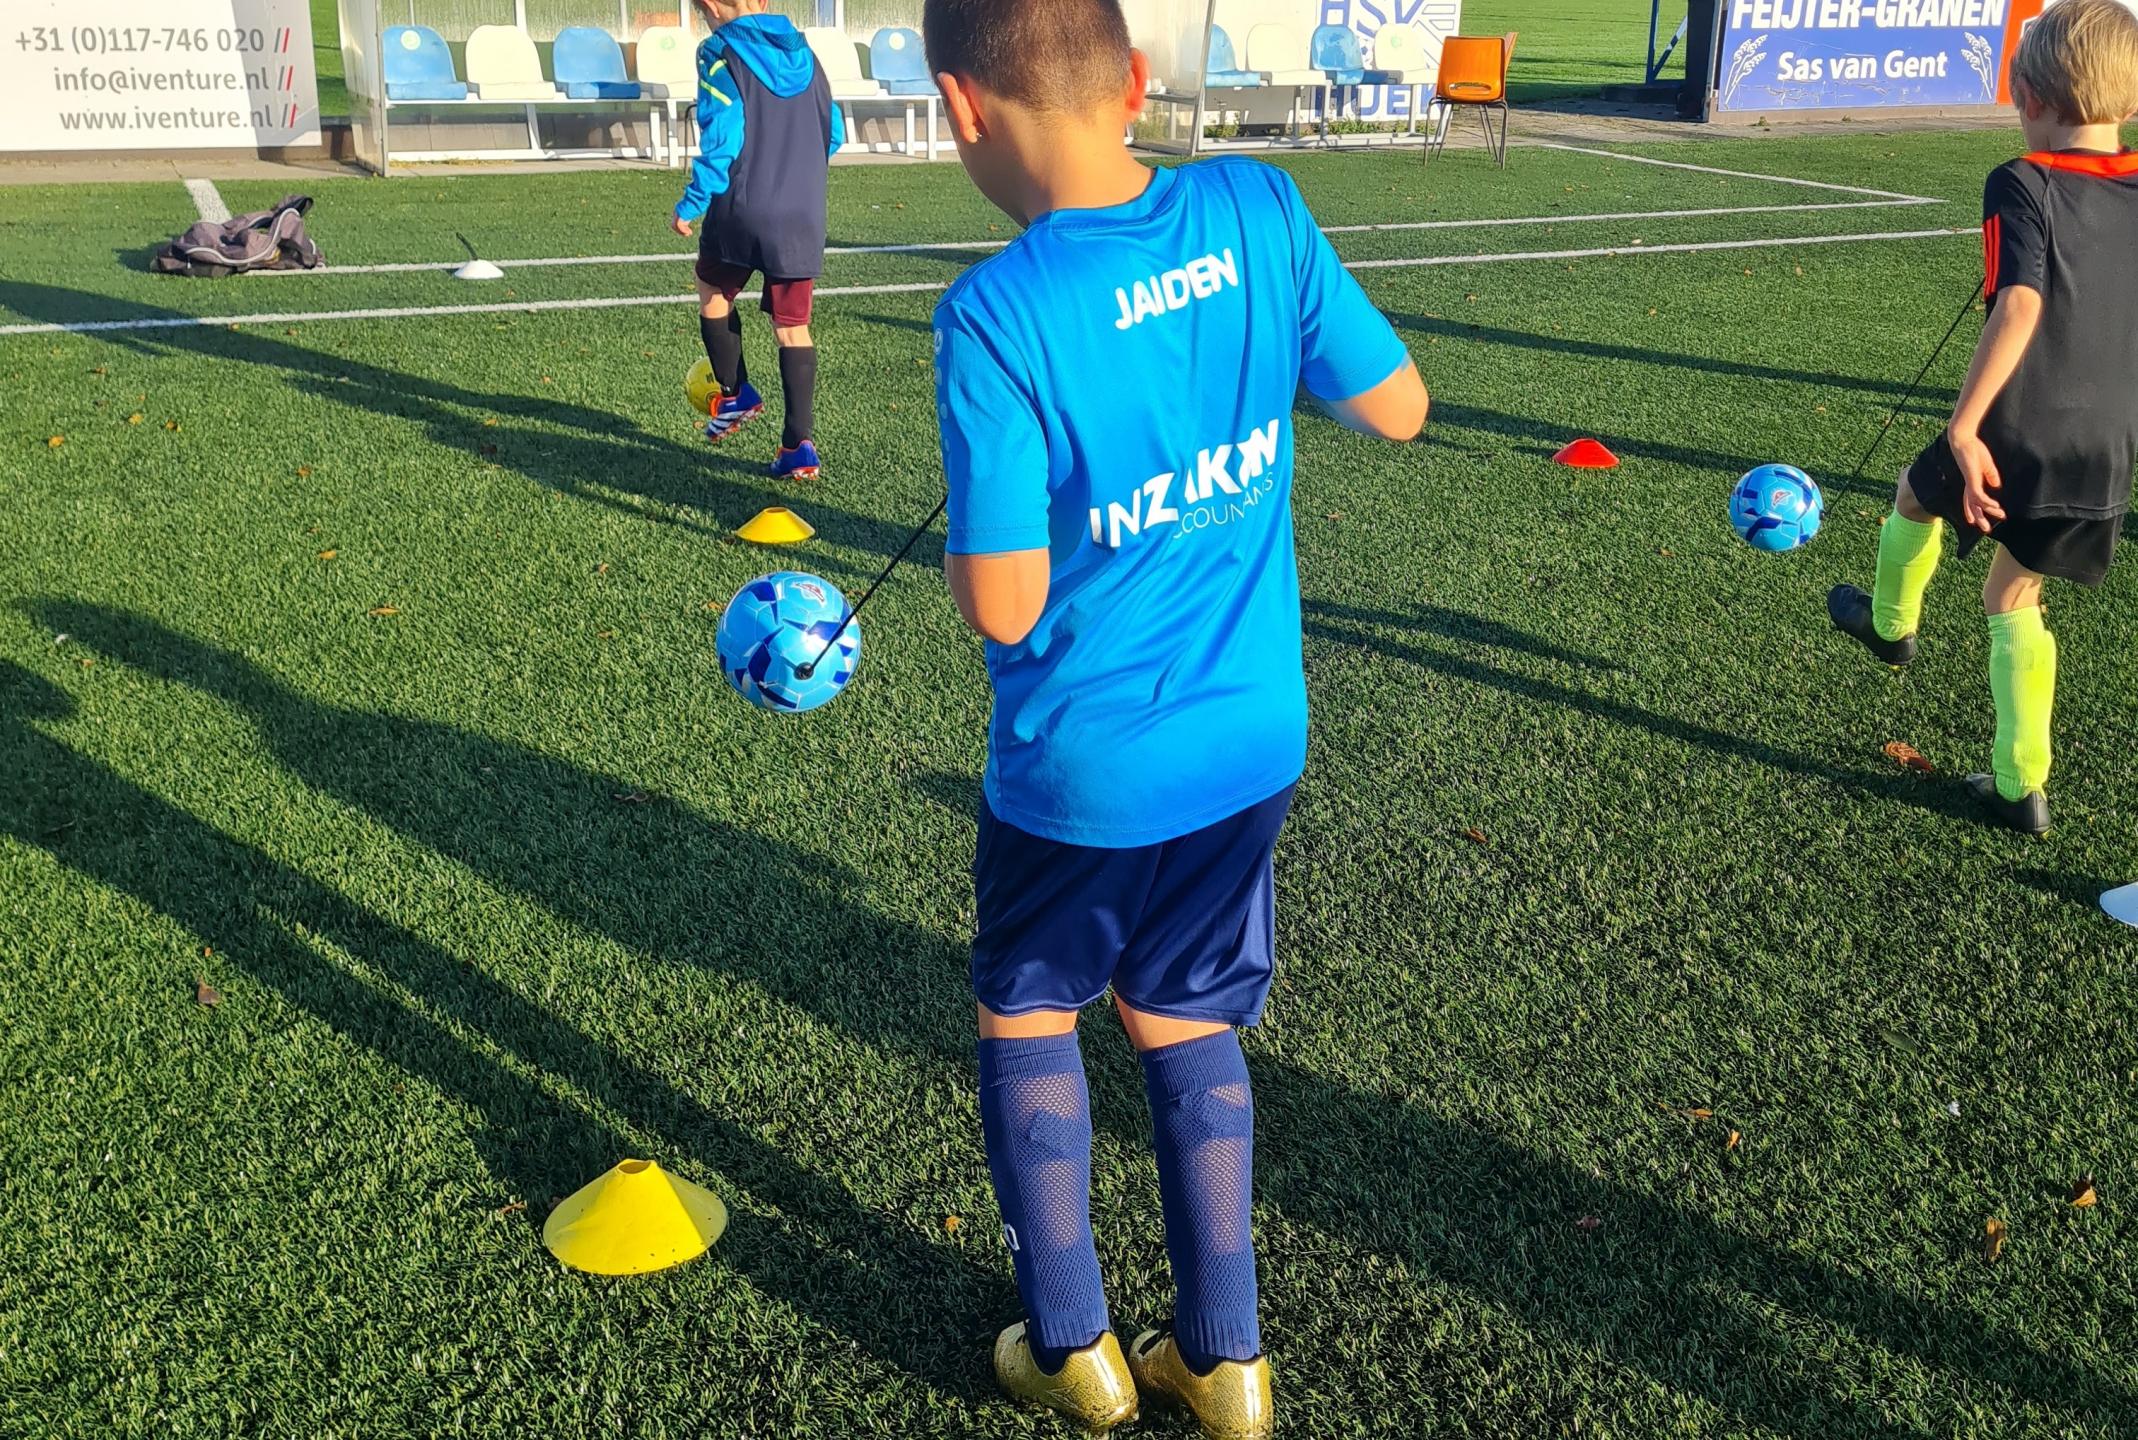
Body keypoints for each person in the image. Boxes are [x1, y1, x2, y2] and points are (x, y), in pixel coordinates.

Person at [921, 1, 1428, 1433]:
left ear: (962, 109)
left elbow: (1005, 608)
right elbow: (1396, 406)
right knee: (1181, 1008)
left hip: (1084, 769)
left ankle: (1073, 1345)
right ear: (1134, 82)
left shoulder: (996, 313)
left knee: (1027, 1002)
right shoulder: (1260, 205)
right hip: (1252, 735)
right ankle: (1225, 1361)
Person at [1828, 0, 2138, 835]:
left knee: (1910, 493)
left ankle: (1893, 628)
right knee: (2014, 594)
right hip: (2106, 447)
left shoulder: (2022, 179)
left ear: (2025, 90)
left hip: (2019, 427)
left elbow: (2022, 304)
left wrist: (1965, 427)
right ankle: (2018, 786)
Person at [669, 0, 840, 478]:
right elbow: (835, 133)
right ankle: (798, 447)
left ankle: (735, 392)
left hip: (743, 207)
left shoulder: (719, 52)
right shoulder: (805, 52)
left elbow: (722, 137)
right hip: (803, 213)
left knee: (712, 288)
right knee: (792, 327)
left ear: (708, 6)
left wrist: (693, 201)